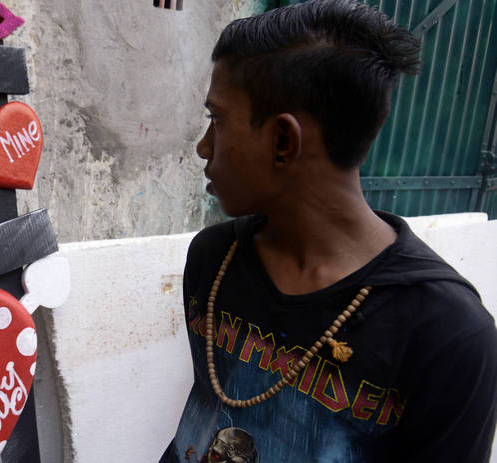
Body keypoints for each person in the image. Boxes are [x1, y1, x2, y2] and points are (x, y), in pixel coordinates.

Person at [160, 0, 497, 461]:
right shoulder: (214, 258)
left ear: (283, 141)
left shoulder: (447, 335)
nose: (204, 147)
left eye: (216, 120)